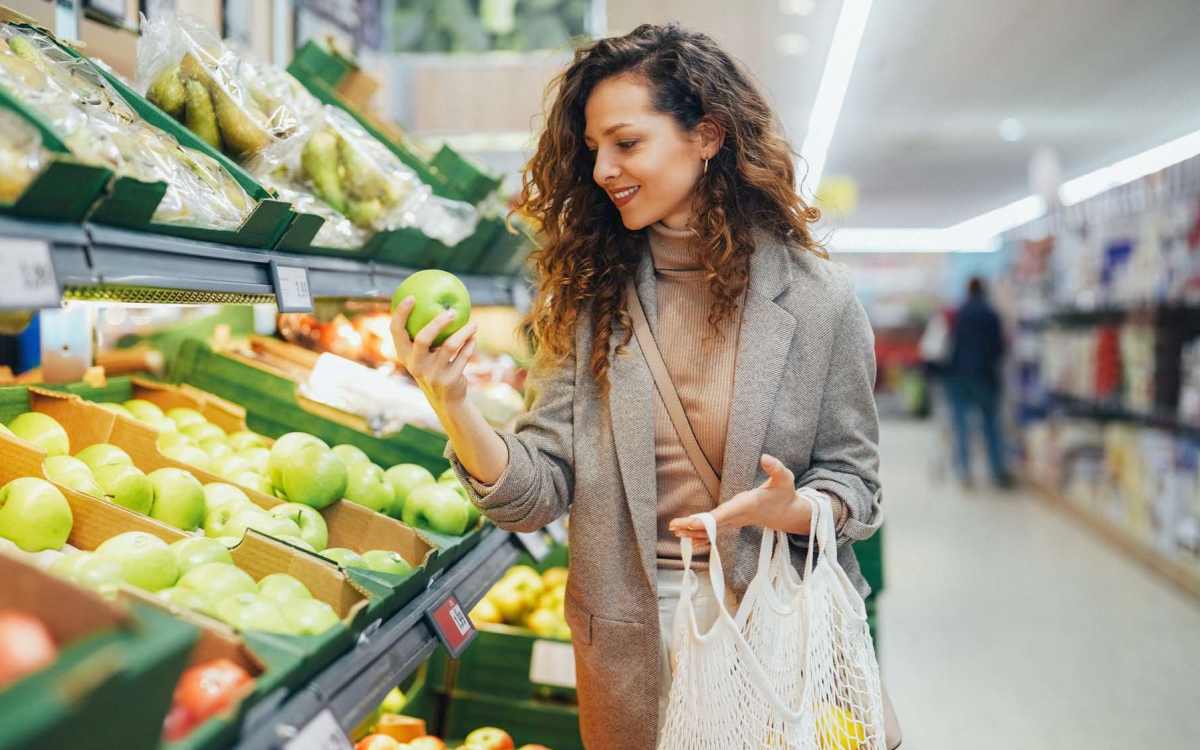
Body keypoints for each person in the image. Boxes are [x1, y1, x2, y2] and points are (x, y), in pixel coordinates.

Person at [390, 24, 882, 749]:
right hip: (630, 638)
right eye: (592, 150)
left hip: (772, 627)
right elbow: (536, 493)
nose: (602, 170)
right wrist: (454, 403)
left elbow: (857, 485)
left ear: (707, 134)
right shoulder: (589, 299)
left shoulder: (819, 302)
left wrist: (798, 507)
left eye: (625, 143)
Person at [944, 276, 1013, 489]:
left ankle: (965, 473)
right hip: (985, 376)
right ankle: (997, 471)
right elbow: (999, 349)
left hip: (959, 376)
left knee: (962, 427)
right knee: (991, 426)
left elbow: (950, 344)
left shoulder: (959, 314)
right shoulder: (991, 315)